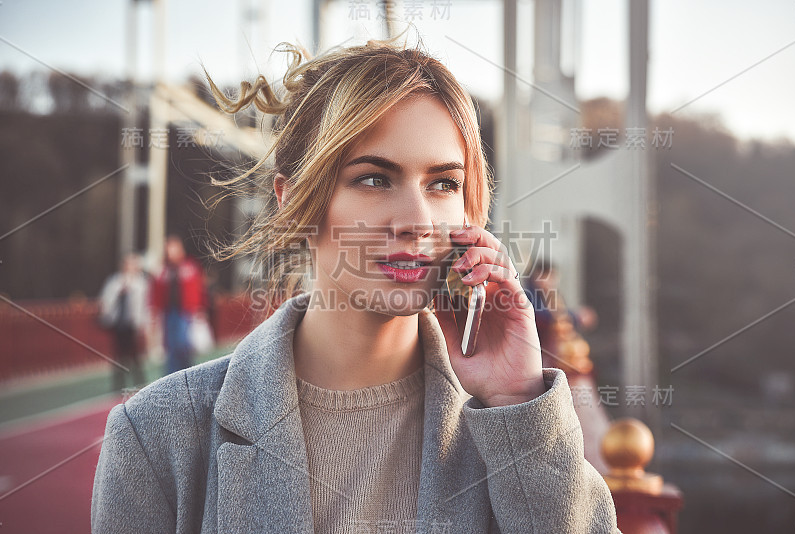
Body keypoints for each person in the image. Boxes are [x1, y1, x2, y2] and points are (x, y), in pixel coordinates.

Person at [92, 37, 620, 533]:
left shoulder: (512, 423)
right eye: (373, 178)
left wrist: (517, 403)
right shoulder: (156, 436)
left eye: (443, 184)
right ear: (293, 200)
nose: (416, 219)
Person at [149, 234, 209, 375]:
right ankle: (171, 376)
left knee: (184, 345)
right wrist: (154, 312)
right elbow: (156, 293)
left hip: (186, 312)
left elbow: (199, 289)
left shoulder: (190, 267)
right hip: (169, 313)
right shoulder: (162, 271)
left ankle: (188, 373)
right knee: (171, 347)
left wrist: (200, 309)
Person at [97, 253, 149, 393]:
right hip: (118, 324)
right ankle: (118, 386)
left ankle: (140, 384)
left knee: (135, 357)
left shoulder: (141, 283)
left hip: (133, 324)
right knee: (119, 357)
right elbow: (105, 301)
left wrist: (143, 323)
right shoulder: (114, 282)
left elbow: (145, 305)